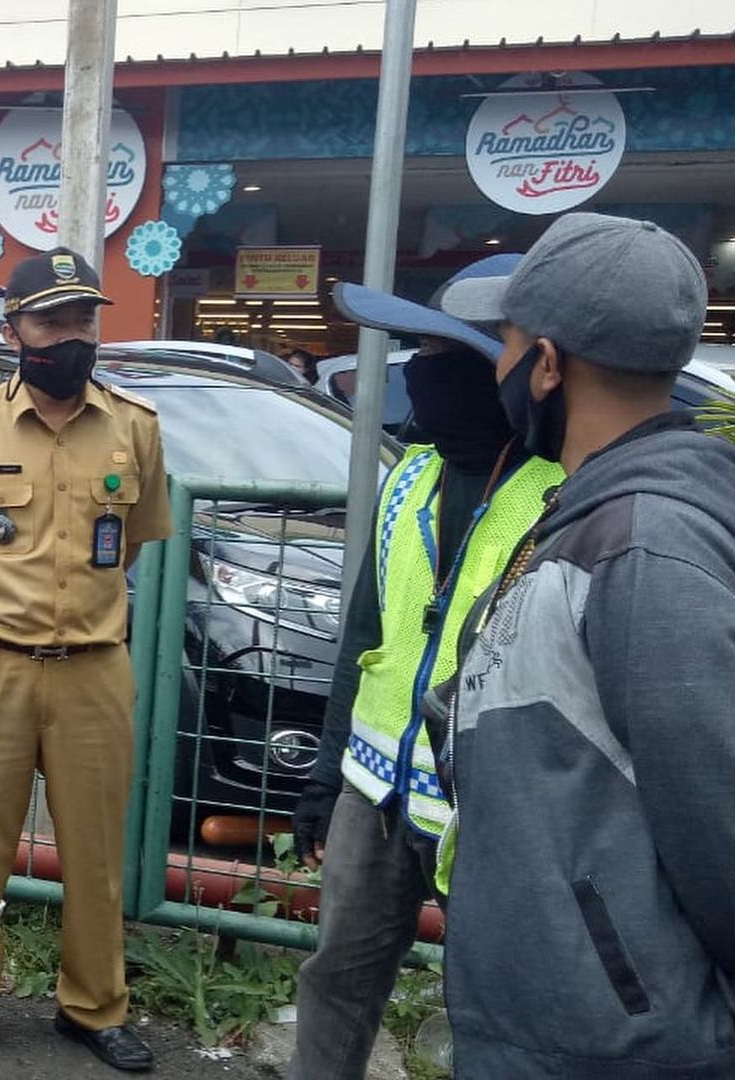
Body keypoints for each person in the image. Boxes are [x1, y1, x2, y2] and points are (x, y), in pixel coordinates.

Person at [433, 212, 735, 1078]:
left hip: (616, 1041)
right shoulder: (597, 512)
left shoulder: (644, 545)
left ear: (549, 364)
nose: (496, 365)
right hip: (577, 1020)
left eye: (506, 342)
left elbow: (715, 812)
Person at [287, 254, 564, 1080]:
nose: (422, 376)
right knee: (336, 976)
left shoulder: (564, 491)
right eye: (419, 355)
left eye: (445, 358)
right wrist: (326, 777)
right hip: (373, 793)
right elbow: (365, 637)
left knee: (494, 1005)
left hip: (487, 816)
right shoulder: (409, 475)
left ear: (510, 371)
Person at [0, 246, 173, 1073]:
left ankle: (93, 1007)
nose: (71, 335)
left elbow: (127, 545)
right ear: (13, 329)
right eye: (52, 319)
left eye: (83, 318)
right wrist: (1, 615)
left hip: (95, 665)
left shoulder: (134, 427)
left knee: (95, 851)